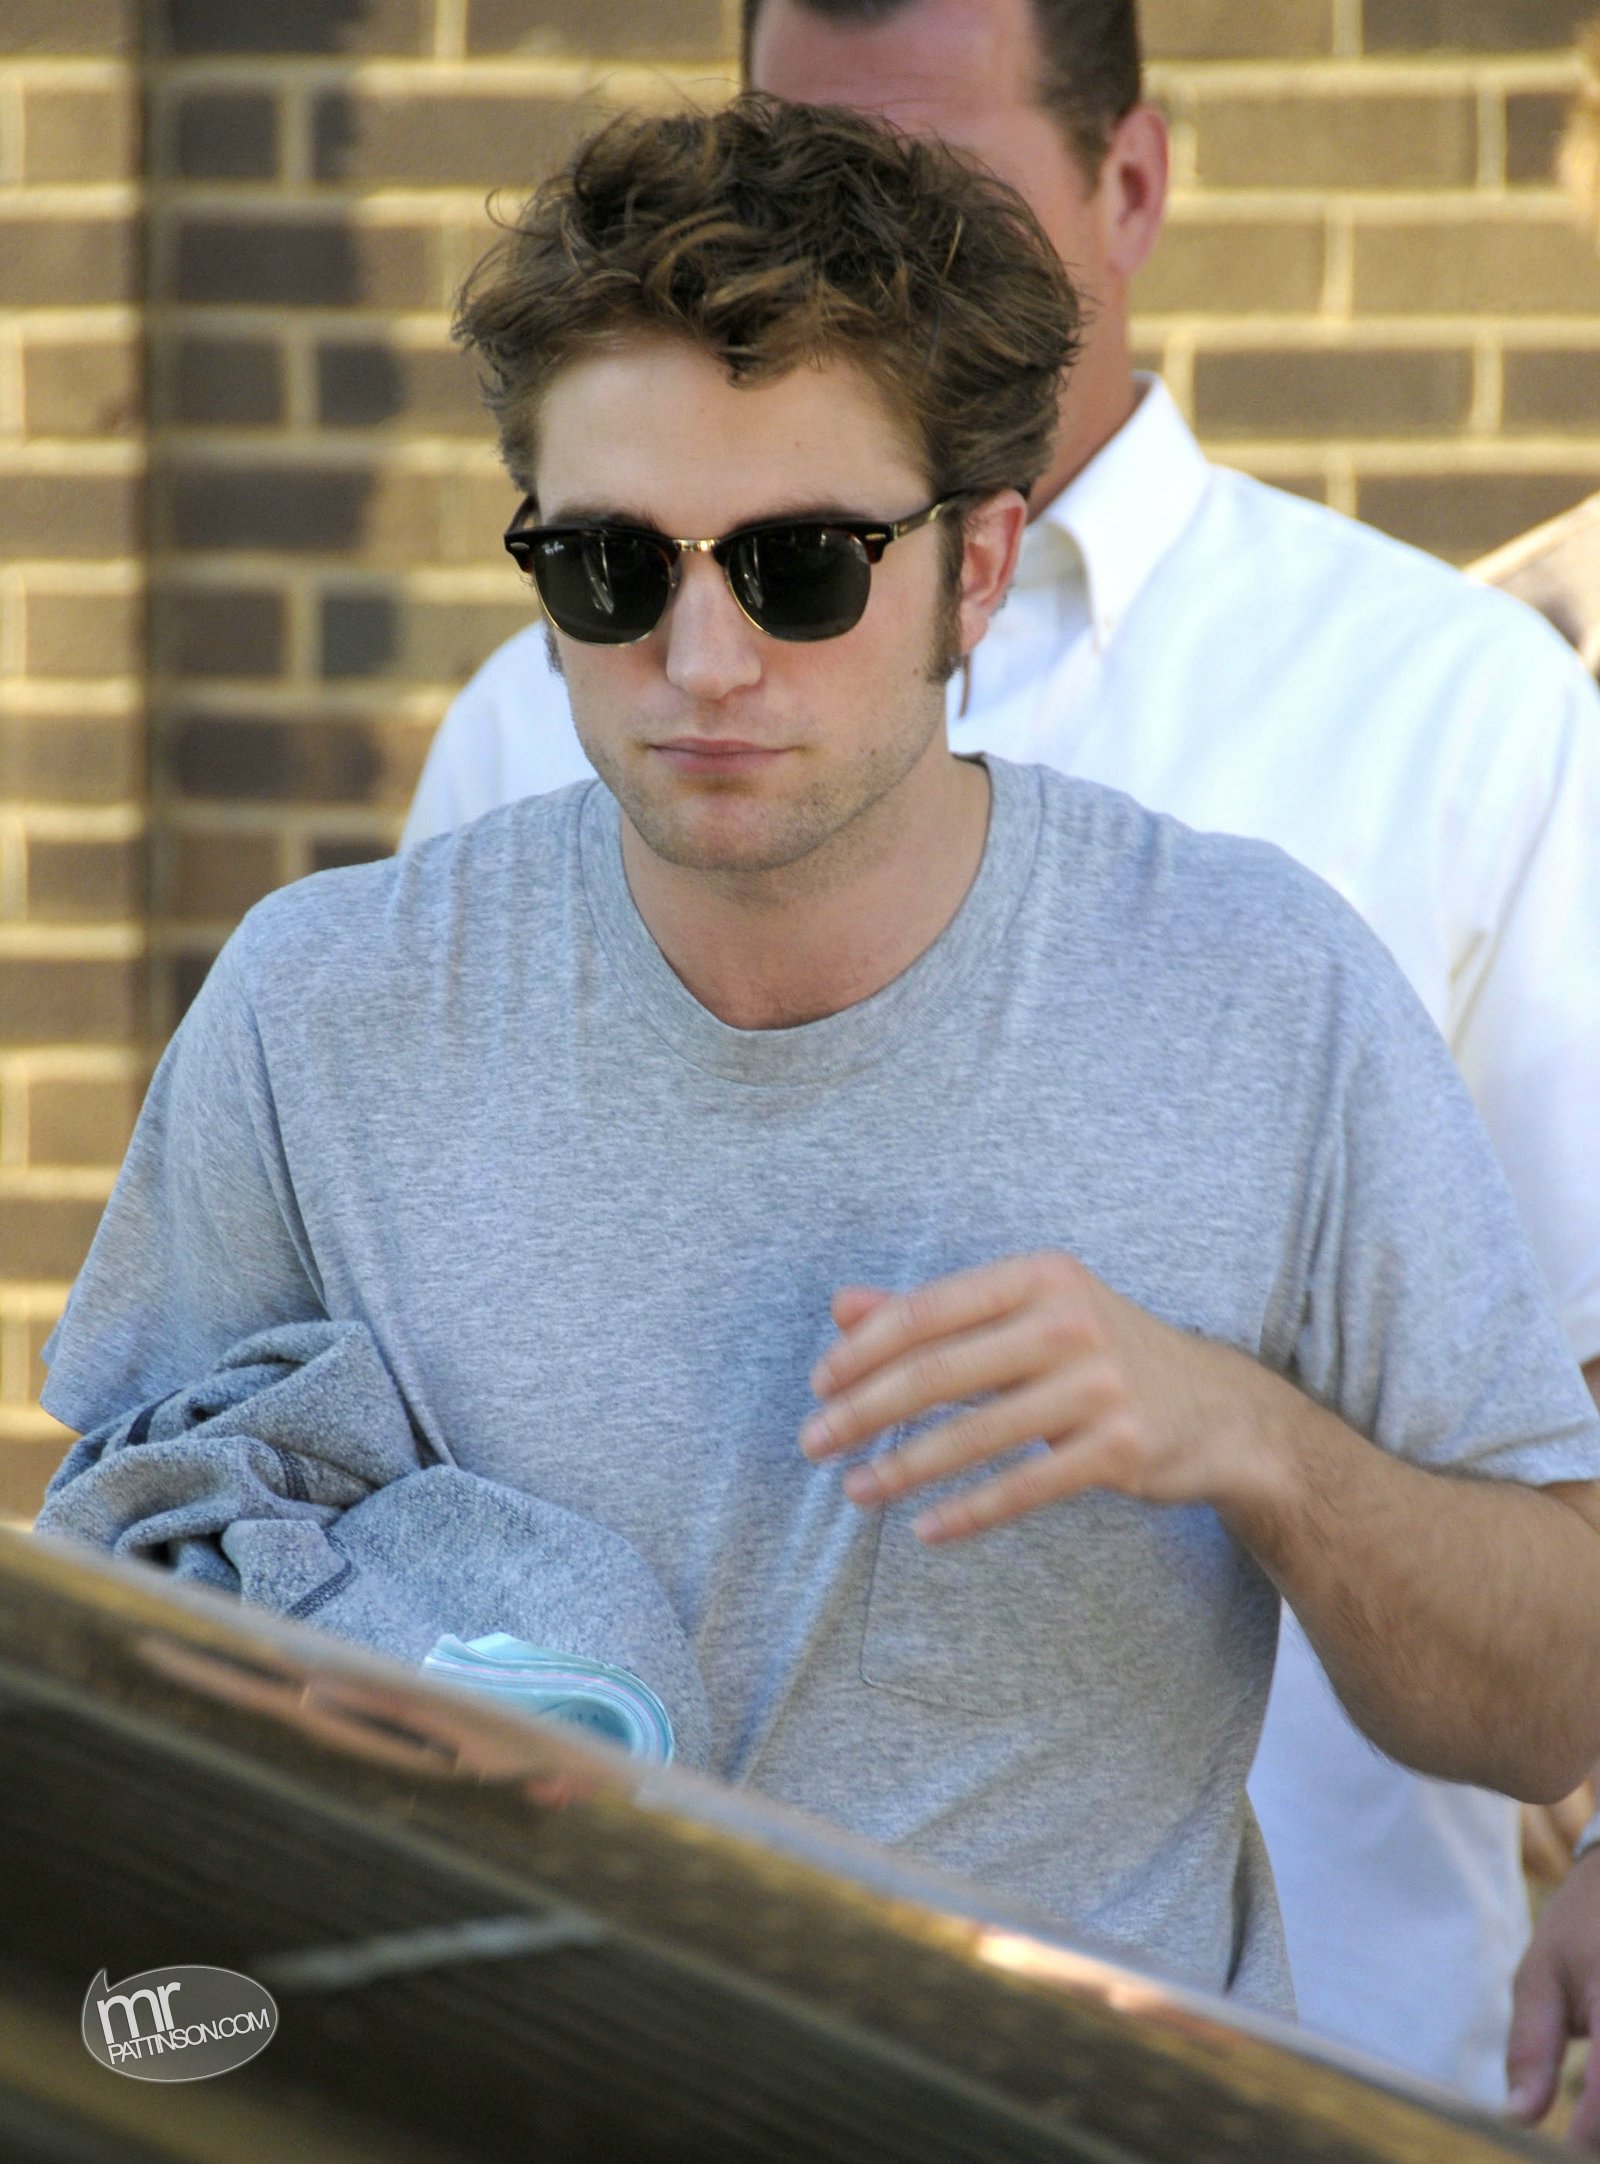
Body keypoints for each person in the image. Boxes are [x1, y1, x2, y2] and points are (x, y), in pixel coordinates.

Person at [37, 96, 1600, 2024]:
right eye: (609, 569)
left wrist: (1251, 1439)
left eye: (800, 566)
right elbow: (117, 1617)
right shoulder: (321, 1010)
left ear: (980, 565)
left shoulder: (1260, 990)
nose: (702, 660)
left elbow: (1550, 1704)